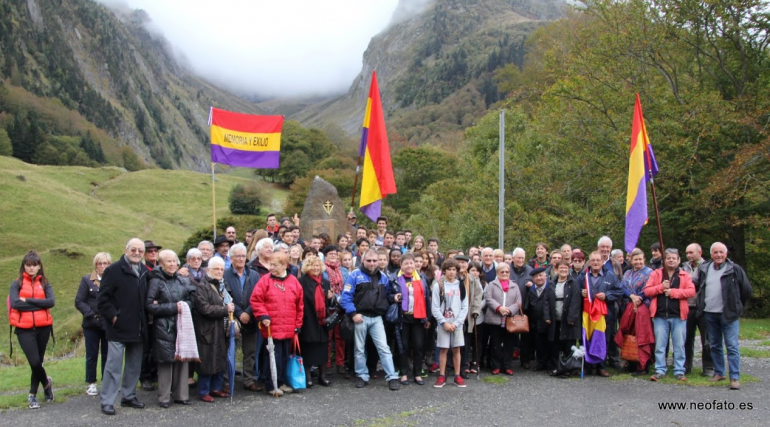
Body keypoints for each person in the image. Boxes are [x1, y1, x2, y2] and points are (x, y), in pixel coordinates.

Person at [97, 238, 148, 416]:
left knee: (134, 365)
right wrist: (113, 316)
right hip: (118, 327)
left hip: (138, 327)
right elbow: (102, 299)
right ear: (126, 250)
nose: (137, 253)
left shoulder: (143, 270)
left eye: (140, 251)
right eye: (133, 250)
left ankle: (128, 396)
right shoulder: (113, 270)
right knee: (113, 367)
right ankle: (107, 401)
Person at [340, 248, 401, 391]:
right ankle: (361, 375)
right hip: (360, 317)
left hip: (377, 318)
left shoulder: (383, 277)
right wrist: (353, 314)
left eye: (375, 260)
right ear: (362, 260)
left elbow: (386, 296)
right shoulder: (354, 275)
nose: (372, 263)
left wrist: (393, 298)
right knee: (359, 349)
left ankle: (392, 377)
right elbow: (345, 298)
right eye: (369, 260)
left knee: (384, 349)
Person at [696, 242, 752, 390]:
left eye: (721, 252)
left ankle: (734, 377)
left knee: (732, 346)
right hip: (709, 313)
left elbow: (746, 289)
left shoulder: (734, 269)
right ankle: (719, 373)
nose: (719, 255)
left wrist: (737, 305)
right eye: (715, 252)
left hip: (729, 314)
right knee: (714, 345)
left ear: (726, 254)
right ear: (711, 254)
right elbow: (699, 288)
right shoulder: (705, 269)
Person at [145, 249, 194, 407]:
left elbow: (190, 299)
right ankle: (164, 397)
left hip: (182, 325)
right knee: (166, 362)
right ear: (161, 264)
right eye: (169, 261)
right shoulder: (155, 281)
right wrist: (174, 307)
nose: (172, 264)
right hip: (164, 327)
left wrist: (185, 306)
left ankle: (181, 395)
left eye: (174, 261)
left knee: (182, 359)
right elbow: (149, 306)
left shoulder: (181, 279)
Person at [251, 252, 304, 396]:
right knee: (272, 357)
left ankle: (281, 382)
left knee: (284, 357)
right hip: (271, 327)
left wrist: (297, 324)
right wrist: (263, 315)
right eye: (271, 264)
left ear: (284, 265)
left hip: (288, 327)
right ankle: (271, 384)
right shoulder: (265, 281)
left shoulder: (293, 281)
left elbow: (299, 305)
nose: (271, 268)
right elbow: (256, 300)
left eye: (274, 265)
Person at [9, 251, 56, 410]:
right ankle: (46, 383)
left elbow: (50, 302)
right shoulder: (17, 284)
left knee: (39, 361)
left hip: (43, 328)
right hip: (24, 329)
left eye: (34, 265)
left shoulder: (45, 283)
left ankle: (33, 395)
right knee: (34, 362)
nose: (31, 268)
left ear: (39, 266)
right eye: (28, 265)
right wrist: (39, 304)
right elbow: (15, 304)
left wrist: (28, 300)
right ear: (24, 266)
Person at [644, 248, 695, 382]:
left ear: (678, 260)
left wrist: (673, 292)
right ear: (664, 260)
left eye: (674, 258)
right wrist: (661, 287)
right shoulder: (656, 274)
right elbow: (647, 291)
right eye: (668, 258)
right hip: (660, 316)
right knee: (660, 345)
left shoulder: (684, 275)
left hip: (679, 316)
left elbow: (691, 292)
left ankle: (679, 370)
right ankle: (660, 369)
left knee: (679, 345)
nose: (671, 260)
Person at [191, 257, 233, 403]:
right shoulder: (203, 286)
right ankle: (203, 391)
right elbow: (204, 308)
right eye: (216, 269)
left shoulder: (222, 285)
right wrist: (225, 309)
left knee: (220, 359)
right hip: (207, 330)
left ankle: (216, 388)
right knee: (207, 361)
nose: (219, 271)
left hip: (221, 329)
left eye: (222, 269)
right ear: (208, 270)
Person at [224, 243, 261, 392]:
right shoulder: (225, 274)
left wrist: (249, 312)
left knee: (250, 351)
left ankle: (249, 380)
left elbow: (258, 295)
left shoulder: (254, 274)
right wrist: (240, 313)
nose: (240, 259)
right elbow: (226, 296)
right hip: (233, 317)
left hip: (251, 317)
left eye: (242, 256)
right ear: (231, 257)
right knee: (229, 351)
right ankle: (227, 381)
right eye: (237, 256)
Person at [580, 251, 624, 377]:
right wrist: (580, 292)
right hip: (587, 315)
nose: (595, 262)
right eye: (593, 260)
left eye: (598, 260)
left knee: (603, 340)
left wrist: (607, 296)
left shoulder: (610, 275)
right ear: (589, 262)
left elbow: (619, 291)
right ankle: (588, 366)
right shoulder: (583, 275)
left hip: (604, 315)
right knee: (587, 339)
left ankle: (601, 367)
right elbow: (574, 289)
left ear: (601, 261)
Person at [75, 252, 111, 397]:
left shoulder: (112, 280)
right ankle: (91, 383)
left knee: (108, 354)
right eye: (100, 263)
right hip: (91, 323)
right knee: (92, 354)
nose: (102, 266)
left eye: (105, 263)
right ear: (95, 265)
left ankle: (107, 382)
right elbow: (79, 301)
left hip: (107, 323)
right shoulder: (87, 280)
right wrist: (90, 314)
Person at [393, 253, 430, 385]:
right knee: (403, 346)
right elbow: (389, 296)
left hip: (418, 318)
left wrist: (428, 318)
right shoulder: (395, 278)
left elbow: (427, 299)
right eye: (406, 263)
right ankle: (403, 373)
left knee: (419, 346)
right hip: (402, 318)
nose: (409, 266)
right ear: (401, 265)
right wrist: (394, 297)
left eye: (411, 263)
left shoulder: (422, 278)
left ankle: (417, 373)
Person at [431, 259, 469, 387]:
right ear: (444, 271)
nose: (451, 272)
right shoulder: (439, 285)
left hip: (457, 323)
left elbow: (465, 307)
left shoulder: (461, 285)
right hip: (444, 323)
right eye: (449, 269)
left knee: (456, 349)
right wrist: (443, 322)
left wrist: (457, 323)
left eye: (454, 270)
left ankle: (457, 375)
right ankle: (442, 375)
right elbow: (435, 307)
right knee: (443, 349)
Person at [298, 255, 333, 387]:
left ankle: (322, 376)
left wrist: (330, 298)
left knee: (323, 348)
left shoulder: (325, 282)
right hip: (307, 319)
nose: (316, 268)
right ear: (307, 267)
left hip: (322, 321)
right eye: (313, 265)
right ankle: (308, 377)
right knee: (308, 348)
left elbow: (329, 302)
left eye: (318, 265)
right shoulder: (301, 281)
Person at [619, 248, 654, 374]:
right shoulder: (628, 273)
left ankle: (643, 365)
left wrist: (639, 299)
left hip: (644, 307)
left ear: (644, 259)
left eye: (640, 259)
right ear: (631, 260)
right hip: (629, 307)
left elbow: (650, 288)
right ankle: (631, 361)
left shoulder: (650, 272)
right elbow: (622, 287)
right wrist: (631, 297)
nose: (638, 262)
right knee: (629, 334)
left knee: (642, 335)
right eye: (635, 259)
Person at [484, 262, 522, 375]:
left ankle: (507, 366)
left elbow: (519, 302)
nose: (504, 273)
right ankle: (496, 366)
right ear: (497, 273)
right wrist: (499, 308)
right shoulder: (492, 284)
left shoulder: (515, 286)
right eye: (502, 272)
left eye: (507, 272)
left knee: (509, 344)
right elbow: (488, 298)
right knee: (495, 344)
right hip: (495, 318)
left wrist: (509, 310)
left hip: (510, 319)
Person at [681, 243, 714, 376]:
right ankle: (686, 366)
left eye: (691, 252)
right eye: (687, 253)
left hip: (703, 307)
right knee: (686, 339)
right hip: (687, 307)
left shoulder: (709, 267)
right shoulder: (683, 267)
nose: (689, 255)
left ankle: (708, 367)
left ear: (699, 252)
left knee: (707, 340)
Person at [550, 260, 582, 376]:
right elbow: (548, 300)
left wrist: (571, 318)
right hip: (555, 319)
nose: (563, 270)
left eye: (565, 268)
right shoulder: (552, 283)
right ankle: (557, 367)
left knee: (568, 344)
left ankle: (568, 368)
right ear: (556, 269)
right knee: (555, 344)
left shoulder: (573, 283)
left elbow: (575, 301)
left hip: (568, 319)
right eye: (561, 268)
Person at [456, 255, 483, 379]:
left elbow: (478, 295)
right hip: (453, 317)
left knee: (465, 343)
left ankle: (463, 367)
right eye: (459, 262)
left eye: (464, 263)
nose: (462, 265)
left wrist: (476, 310)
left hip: (467, 316)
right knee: (453, 343)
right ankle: (451, 366)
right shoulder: (450, 277)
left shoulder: (472, 279)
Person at [322, 246, 346, 374]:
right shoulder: (322, 270)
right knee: (327, 337)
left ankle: (340, 364)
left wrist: (342, 298)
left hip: (341, 308)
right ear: (325, 256)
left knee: (340, 337)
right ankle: (326, 364)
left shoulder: (344, 271)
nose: (333, 255)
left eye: (335, 253)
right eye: (330, 253)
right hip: (328, 307)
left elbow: (347, 287)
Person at [528, 267, 555, 372]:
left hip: (549, 321)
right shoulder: (531, 289)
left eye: (540, 275)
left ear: (545, 276)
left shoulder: (551, 287)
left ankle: (551, 364)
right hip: (536, 322)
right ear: (533, 279)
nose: (539, 278)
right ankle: (541, 363)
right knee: (539, 344)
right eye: (536, 276)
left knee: (551, 343)